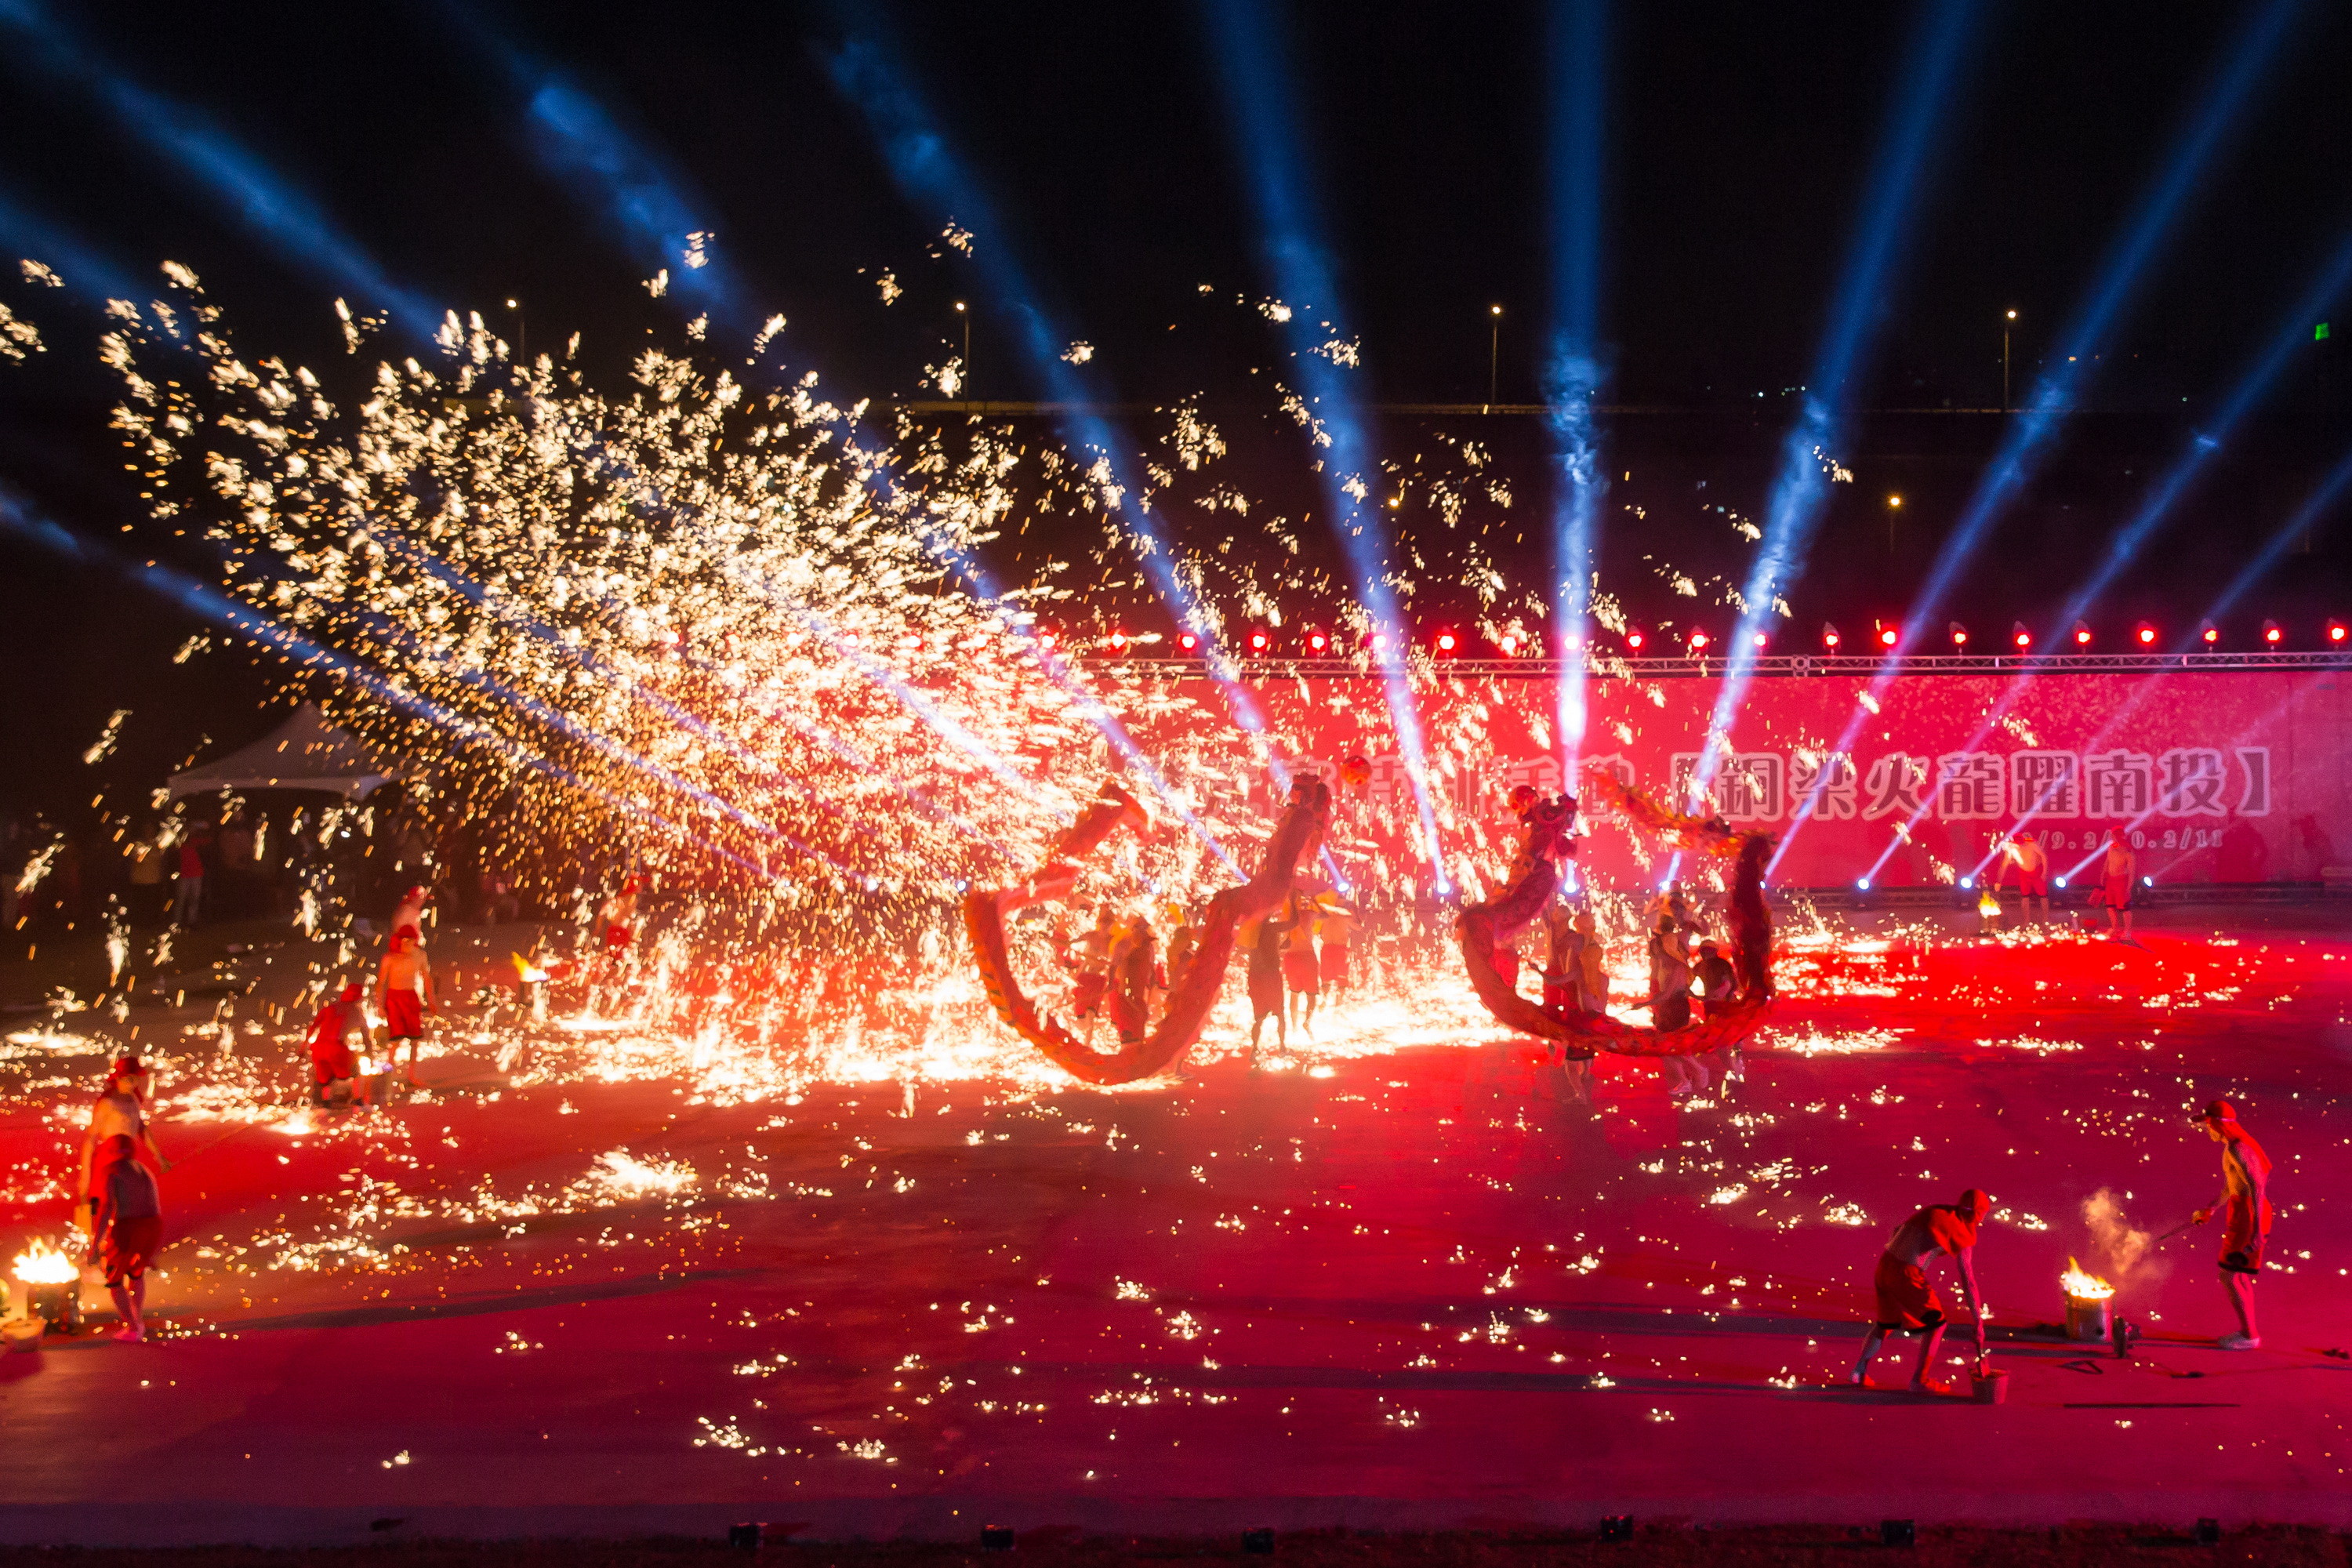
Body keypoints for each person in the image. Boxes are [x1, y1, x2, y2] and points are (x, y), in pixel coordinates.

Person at [1850, 1188, 1991, 1395]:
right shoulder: (1962, 1231)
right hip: (1907, 1274)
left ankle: (1859, 1371)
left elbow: (1897, 1230)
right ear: (1980, 1215)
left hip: (1886, 1264)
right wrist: (1978, 1322)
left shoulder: (1935, 1211)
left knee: (1887, 1323)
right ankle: (1920, 1380)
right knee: (1937, 1324)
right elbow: (1968, 1279)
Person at [2192, 1100, 2272, 1350]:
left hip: (2248, 1216)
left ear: (2216, 1124)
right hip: (2240, 1212)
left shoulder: (2239, 1148)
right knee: (2237, 1275)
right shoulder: (2232, 1147)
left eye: (2208, 1125)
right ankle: (2250, 1332)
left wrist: (2257, 1231)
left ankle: (2249, 1335)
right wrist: (2212, 1207)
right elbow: (2234, 1184)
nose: (2207, 1130)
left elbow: (2256, 1188)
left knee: (2228, 1275)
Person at [82, 1133, 162, 1343]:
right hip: (152, 1225)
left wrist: (95, 1244)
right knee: (136, 1273)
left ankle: (133, 1327)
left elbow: (106, 1208)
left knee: (114, 1279)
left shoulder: (111, 1171)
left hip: (128, 1228)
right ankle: (138, 1319)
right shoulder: (143, 1169)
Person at [78, 1057, 170, 1227]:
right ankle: (92, 1242)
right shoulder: (108, 1103)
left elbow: (143, 1130)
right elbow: (90, 1138)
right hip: (109, 1159)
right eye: (130, 1079)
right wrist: (85, 1178)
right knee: (103, 1204)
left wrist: (159, 1157)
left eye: (136, 1079)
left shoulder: (134, 1101)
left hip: (127, 1160)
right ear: (119, 1078)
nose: (133, 1083)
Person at [306, 982, 377, 1107]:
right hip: (336, 1048)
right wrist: (370, 1057)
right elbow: (367, 1039)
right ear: (359, 997)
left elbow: (312, 1027)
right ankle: (358, 1101)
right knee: (355, 1071)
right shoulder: (357, 1013)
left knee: (325, 1077)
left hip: (318, 1047)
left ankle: (326, 1103)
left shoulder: (330, 1008)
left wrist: (303, 1048)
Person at [379, 925, 434, 1085]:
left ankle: (412, 1075)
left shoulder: (420, 956)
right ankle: (388, 1073)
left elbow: (427, 978)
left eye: (410, 941)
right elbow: (381, 982)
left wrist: (432, 1001)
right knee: (395, 1040)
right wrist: (380, 1005)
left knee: (415, 1039)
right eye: (404, 941)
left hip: (410, 997)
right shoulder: (390, 957)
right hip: (394, 998)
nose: (407, 944)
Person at [1243, 905, 1294, 1062]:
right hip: (1270, 976)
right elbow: (1294, 922)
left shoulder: (1251, 930)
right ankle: (1282, 1047)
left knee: (1258, 1017)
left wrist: (1279, 948)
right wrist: (1293, 901)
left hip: (1255, 976)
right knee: (1280, 1014)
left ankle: (1255, 1049)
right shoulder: (1271, 928)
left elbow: (1261, 950)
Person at [1105, 915, 1160, 1047]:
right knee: (1128, 1040)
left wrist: (1153, 984)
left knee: (1138, 1040)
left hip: (1139, 998)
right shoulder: (1123, 945)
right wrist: (1111, 983)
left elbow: (1151, 969)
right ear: (1134, 929)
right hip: (1125, 997)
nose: (1143, 931)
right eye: (1140, 928)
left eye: (1145, 929)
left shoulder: (1149, 948)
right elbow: (1113, 967)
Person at [1067, 907, 1116, 1028]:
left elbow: (1118, 960)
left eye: (1108, 923)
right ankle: (1083, 1037)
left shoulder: (1113, 941)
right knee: (1081, 1015)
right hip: (1084, 976)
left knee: (1091, 1012)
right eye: (1103, 922)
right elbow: (1069, 943)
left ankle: (1088, 1041)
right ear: (1099, 923)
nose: (1105, 926)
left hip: (1099, 978)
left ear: (1112, 925)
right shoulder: (1090, 936)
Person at [1281, 894, 1321, 1037]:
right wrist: (1314, 900)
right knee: (1311, 996)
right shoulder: (1309, 914)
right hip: (1307, 956)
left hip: (1291, 957)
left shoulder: (1285, 916)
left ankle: (1293, 1026)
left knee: (1294, 993)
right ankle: (1307, 1022)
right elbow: (1324, 915)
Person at [1998, 833, 2051, 920]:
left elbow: (2043, 856)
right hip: (2024, 874)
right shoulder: (2011, 848)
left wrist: (2044, 872)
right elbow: (2004, 866)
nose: (2019, 846)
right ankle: (2026, 920)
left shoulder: (2032, 844)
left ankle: (2045, 919)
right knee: (2025, 896)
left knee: (2043, 896)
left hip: (2037, 872)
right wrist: (1999, 881)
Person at [2096, 826, 2137, 942]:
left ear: (2119, 835)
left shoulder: (2128, 851)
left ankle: (2127, 931)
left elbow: (2132, 870)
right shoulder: (2111, 847)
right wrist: (2103, 874)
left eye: (2114, 835)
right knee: (2109, 906)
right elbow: (2107, 861)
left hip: (2121, 881)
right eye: (2112, 835)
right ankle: (2115, 927)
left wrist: (2129, 887)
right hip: (2110, 880)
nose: (2112, 837)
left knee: (2125, 907)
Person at [1316, 897, 1356, 997]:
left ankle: (1337, 1002)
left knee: (1339, 977)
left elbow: (1358, 927)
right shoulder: (1327, 914)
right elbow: (1358, 927)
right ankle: (1326, 1000)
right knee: (1327, 977)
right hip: (1331, 948)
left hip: (1337, 949)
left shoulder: (1343, 915)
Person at [171, 826, 207, 927]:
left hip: (196, 874)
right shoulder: (178, 845)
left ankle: (192, 920)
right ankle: (176, 922)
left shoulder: (196, 842)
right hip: (183, 875)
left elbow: (208, 841)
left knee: (194, 899)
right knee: (180, 900)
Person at [1692, 940, 1738, 1017]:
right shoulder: (1699, 967)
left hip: (1723, 1003)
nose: (1706, 953)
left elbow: (1731, 984)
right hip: (1715, 1004)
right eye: (1704, 950)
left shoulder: (1723, 964)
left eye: (1709, 950)